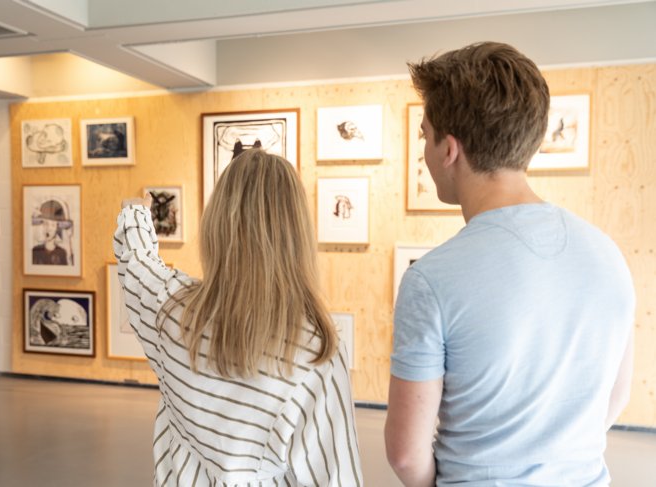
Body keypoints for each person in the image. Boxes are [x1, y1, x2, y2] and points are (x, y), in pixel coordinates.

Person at [385, 42, 635, 486]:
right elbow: (616, 397)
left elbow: (406, 454)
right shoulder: (607, 254)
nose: (423, 151)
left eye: (425, 134)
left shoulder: (431, 279)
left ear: (449, 150)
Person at [113, 149, 362, 486]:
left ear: (216, 225)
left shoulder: (170, 312)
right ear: (298, 234)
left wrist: (135, 212)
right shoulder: (315, 354)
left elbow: (137, 262)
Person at [32, 199, 73, 266]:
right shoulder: (35, 252)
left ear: (57, 228)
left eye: (53, 225)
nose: (49, 229)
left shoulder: (62, 253)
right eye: (46, 224)